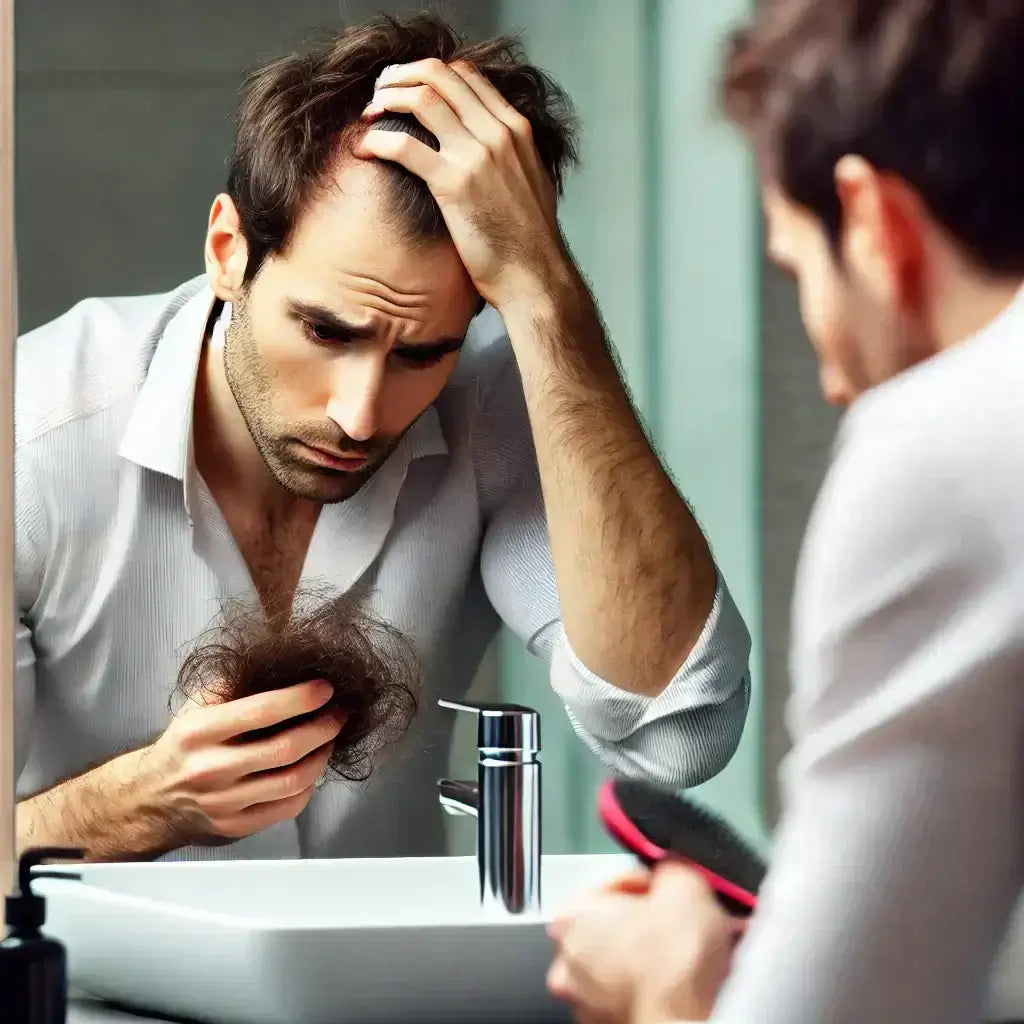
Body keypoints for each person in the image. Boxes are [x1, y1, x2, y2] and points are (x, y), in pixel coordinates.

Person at [12, 13, 752, 863]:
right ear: (228, 249)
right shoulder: (29, 438)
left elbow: (677, 732)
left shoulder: (491, 399)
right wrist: (136, 804)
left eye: (421, 352)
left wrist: (547, 294)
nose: (362, 415)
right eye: (326, 332)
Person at [547, 1, 1024, 1021]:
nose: (831, 375)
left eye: (798, 267)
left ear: (873, 222)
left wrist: (664, 991)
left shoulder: (946, 443)